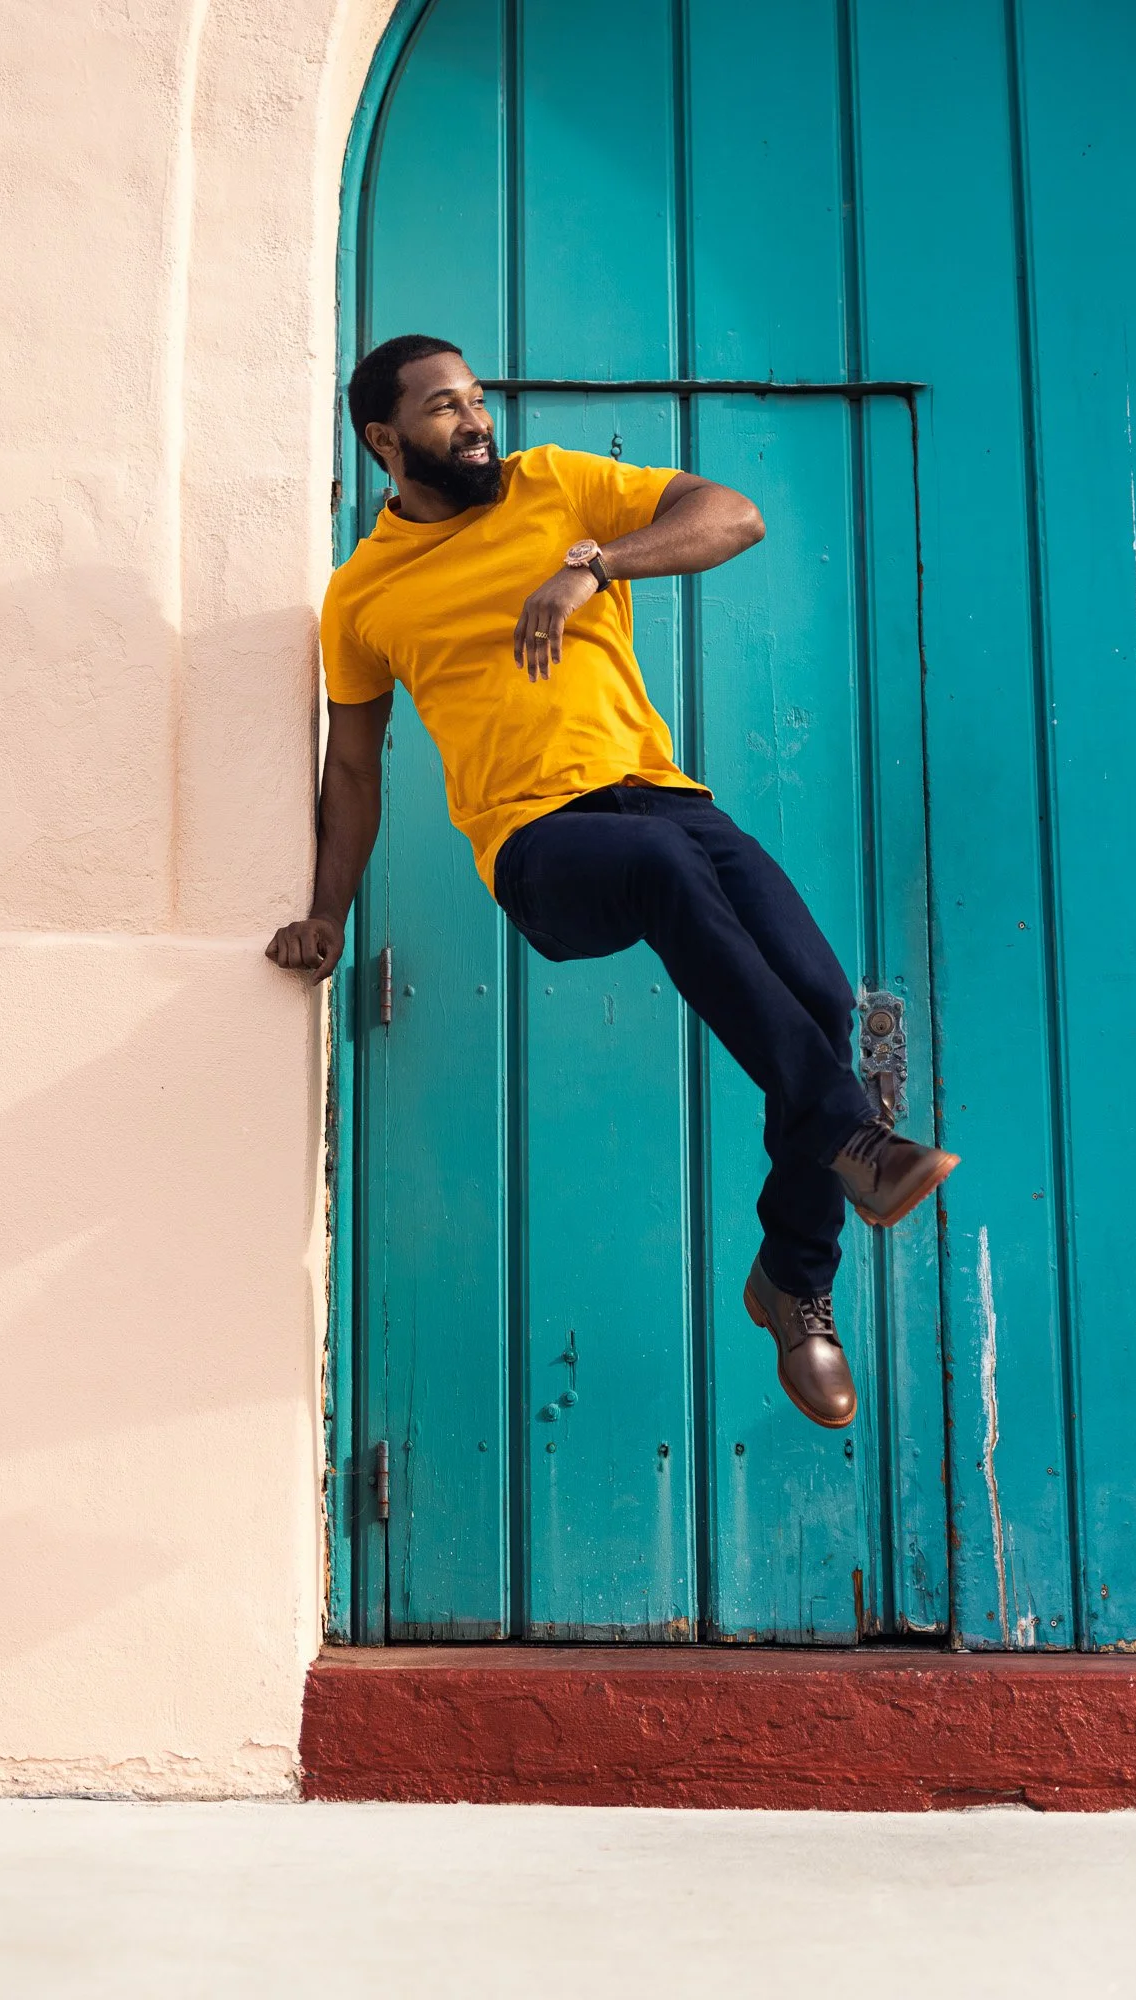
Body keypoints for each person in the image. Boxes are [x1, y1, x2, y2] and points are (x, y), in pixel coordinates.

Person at [267, 333, 959, 1429]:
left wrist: (594, 563)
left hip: (664, 798)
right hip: (537, 844)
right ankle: (848, 1135)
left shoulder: (555, 485)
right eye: (445, 407)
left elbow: (735, 515)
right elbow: (351, 770)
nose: (476, 420)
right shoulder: (361, 596)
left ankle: (791, 1278)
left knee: (819, 996)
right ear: (383, 439)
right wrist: (325, 913)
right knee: (659, 870)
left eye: (477, 398)